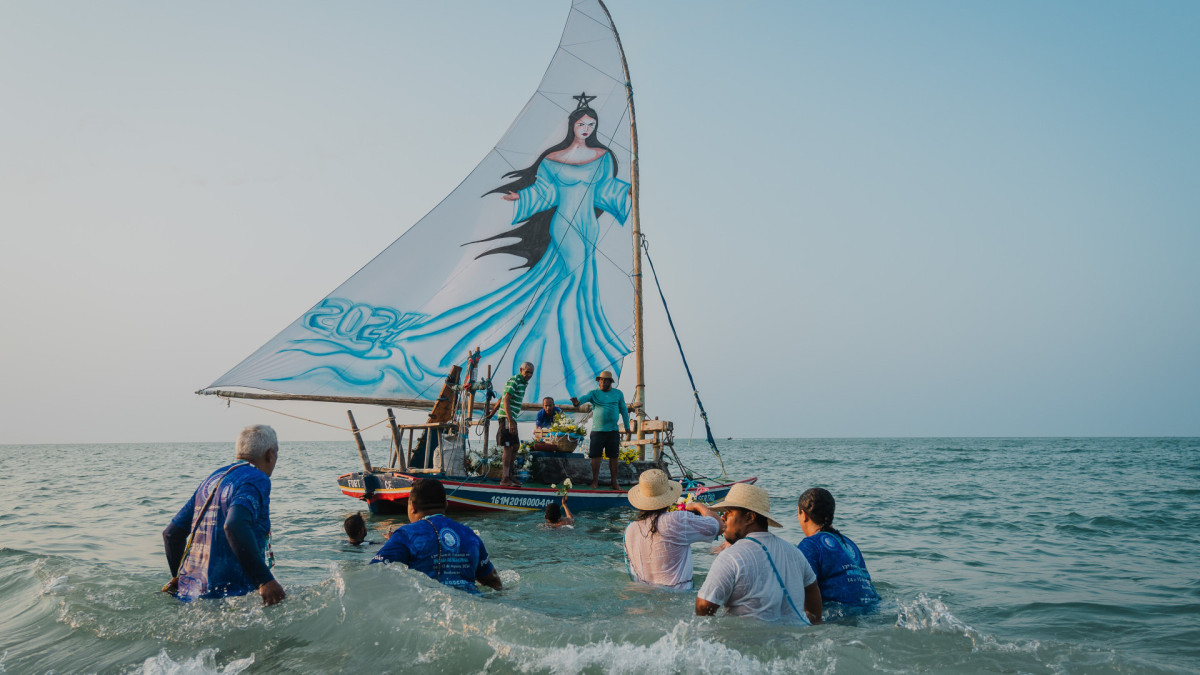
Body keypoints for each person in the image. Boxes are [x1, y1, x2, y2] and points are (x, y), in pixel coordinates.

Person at [162, 425, 286, 605]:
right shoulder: (257, 478)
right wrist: (264, 580)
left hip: (190, 597)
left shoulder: (213, 479)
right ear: (270, 454)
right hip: (230, 600)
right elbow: (235, 525)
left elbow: (171, 534)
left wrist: (179, 577)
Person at [695, 483, 821, 624]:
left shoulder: (731, 557)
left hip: (749, 641)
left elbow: (703, 606)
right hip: (796, 637)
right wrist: (815, 622)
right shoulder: (795, 552)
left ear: (750, 517)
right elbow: (812, 588)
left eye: (729, 511)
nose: (723, 517)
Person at [370, 478, 502, 594]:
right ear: (446, 505)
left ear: (413, 506)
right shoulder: (469, 534)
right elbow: (494, 581)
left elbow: (373, 575)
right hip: (472, 605)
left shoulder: (406, 534)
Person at [623, 469, 724, 590]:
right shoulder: (676, 520)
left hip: (643, 597)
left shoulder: (630, 529)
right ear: (668, 496)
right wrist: (698, 506)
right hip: (679, 596)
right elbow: (719, 526)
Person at [797, 488, 880, 607]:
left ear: (803, 515)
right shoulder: (848, 543)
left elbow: (800, 591)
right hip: (872, 606)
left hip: (842, 616)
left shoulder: (810, 545)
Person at [570, 370, 632, 490]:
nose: (603, 382)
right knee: (595, 456)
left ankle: (614, 482)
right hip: (598, 431)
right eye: (601, 380)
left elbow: (624, 410)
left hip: (613, 431)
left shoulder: (618, 393)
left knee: (614, 457)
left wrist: (627, 426)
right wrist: (577, 403)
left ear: (610, 382)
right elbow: (584, 398)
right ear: (599, 382)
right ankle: (595, 481)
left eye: (606, 380)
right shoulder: (594, 393)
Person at [487, 361, 535, 486]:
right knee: (508, 447)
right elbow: (506, 398)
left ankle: (509, 475)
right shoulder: (515, 380)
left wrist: (492, 413)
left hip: (510, 418)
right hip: (507, 418)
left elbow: (502, 397)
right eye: (527, 372)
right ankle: (505, 478)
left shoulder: (523, 382)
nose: (529, 375)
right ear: (521, 370)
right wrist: (510, 420)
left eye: (531, 373)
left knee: (515, 446)